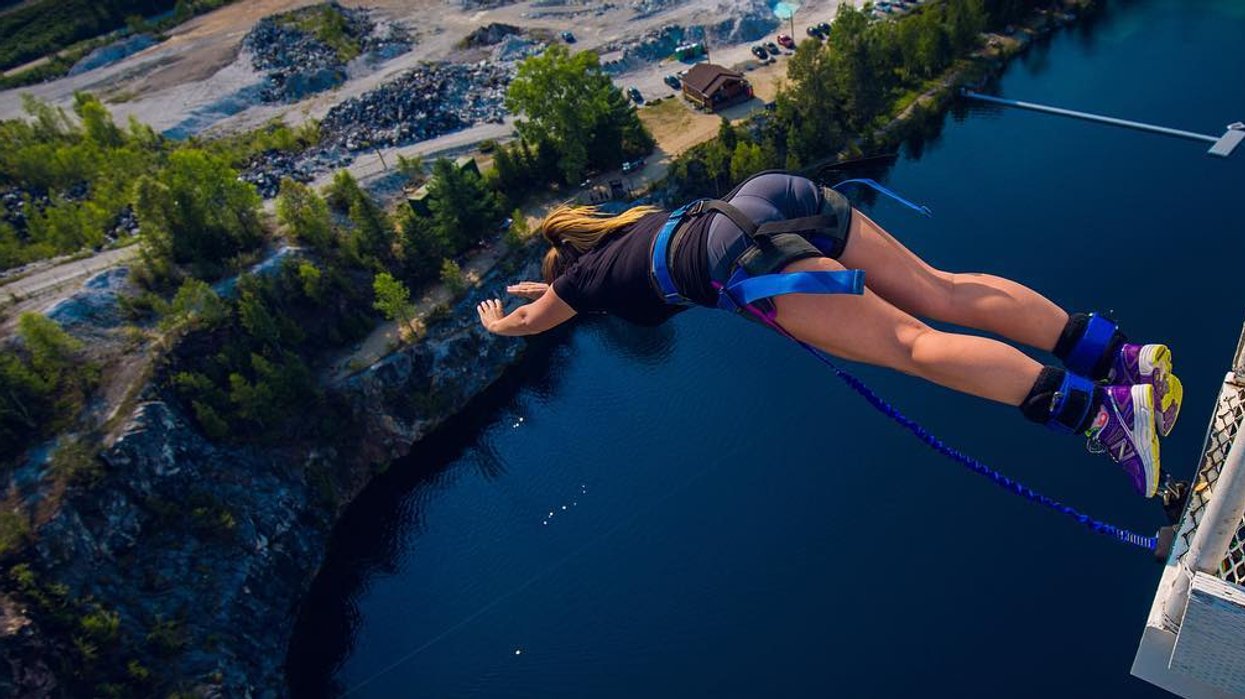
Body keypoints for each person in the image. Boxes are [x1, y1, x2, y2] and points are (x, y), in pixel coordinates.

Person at [477, 172, 1182, 498]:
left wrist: (502, 323)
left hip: (742, 261)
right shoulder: (625, 233)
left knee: (910, 344)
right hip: (769, 196)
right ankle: (1121, 361)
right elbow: (573, 288)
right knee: (941, 290)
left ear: (566, 274)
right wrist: (557, 287)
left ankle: (1103, 411)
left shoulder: (583, 285)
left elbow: (535, 321)